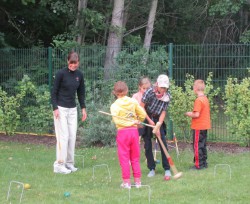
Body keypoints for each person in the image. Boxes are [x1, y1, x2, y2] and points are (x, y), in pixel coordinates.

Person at [51, 51, 87, 174]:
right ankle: (59, 165)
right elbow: (53, 92)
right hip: (60, 109)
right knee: (63, 137)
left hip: (72, 109)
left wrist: (83, 108)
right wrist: (55, 108)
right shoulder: (61, 74)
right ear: (68, 62)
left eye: (75, 63)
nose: (73, 65)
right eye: (71, 63)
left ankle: (69, 163)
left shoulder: (79, 75)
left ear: (78, 62)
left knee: (72, 136)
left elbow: (81, 93)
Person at [110, 81, 146, 189]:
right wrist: (137, 121)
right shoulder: (133, 101)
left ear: (115, 93)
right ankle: (138, 182)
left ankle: (127, 183)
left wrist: (132, 122)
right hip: (134, 132)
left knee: (124, 158)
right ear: (126, 90)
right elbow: (143, 114)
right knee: (135, 157)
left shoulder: (114, 105)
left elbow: (117, 122)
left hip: (123, 133)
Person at [141, 74, 172, 180]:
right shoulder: (149, 92)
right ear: (157, 84)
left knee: (163, 142)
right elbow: (141, 107)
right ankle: (151, 169)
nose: (163, 89)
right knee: (148, 144)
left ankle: (167, 169)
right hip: (147, 115)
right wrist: (150, 121)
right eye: (162, 87)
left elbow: (163, 112)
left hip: (158, 118)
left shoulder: (167, 95)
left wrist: (158, 125)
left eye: (165, 87)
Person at [185, 79, 211, 170]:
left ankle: (198, 165)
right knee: (203, 145)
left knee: (197, 146)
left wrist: (189, 114)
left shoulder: (198, 100)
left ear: (195, 88)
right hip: (205, 126)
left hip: (198, 127)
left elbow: (196, 114)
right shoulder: (205, 98)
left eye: (193, 87)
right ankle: (204, 163)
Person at [132, 77, 151, 141]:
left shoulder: (150, 95)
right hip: (138, 119)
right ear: (140, 86)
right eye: (144, 88)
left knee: (147, 137)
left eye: (147, 88)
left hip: (147, 118)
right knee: (137, 137)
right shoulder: (135, 96)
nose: (145, 90)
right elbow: (132, 108)